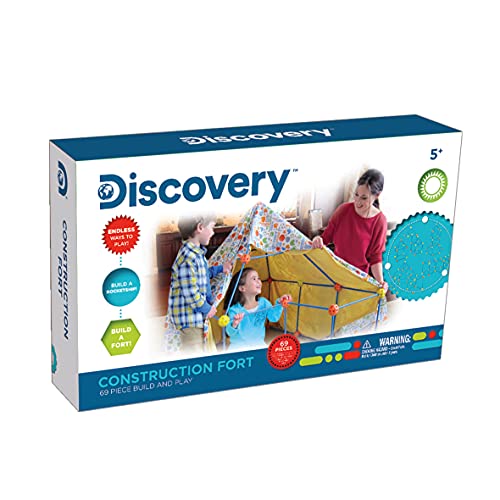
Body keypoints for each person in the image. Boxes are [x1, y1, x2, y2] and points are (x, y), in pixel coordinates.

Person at [168, 213, 232, 355]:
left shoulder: (197, 255)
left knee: (201, 347)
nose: (213, 232)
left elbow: (203, 274)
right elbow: (191, 293)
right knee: (194, 352)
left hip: (196, 318)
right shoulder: (188, 258)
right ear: (200, 228)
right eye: (212, 227)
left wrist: (220, 269)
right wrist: (206, 308)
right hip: (189, 319)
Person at [312, 169, 388, 288]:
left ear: (377, 196)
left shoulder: (379, 221)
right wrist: (317, 239)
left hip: (358, 279)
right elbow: (324, 238)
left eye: (364, 198)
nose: (357, 201)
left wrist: (380, 283)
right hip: (336, 273)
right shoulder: (343, 210)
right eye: (356, 195)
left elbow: (375, 258)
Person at [223, 267, 292, 351]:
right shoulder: (234, 310)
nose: (259, 281)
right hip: (239, 348)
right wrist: (234, 324)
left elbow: (273, 317)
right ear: (242, 288)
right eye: (254, 279)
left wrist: (279, 304)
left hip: (258, 346)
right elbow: (230, 333)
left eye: (258, 278)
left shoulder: (263, 303)